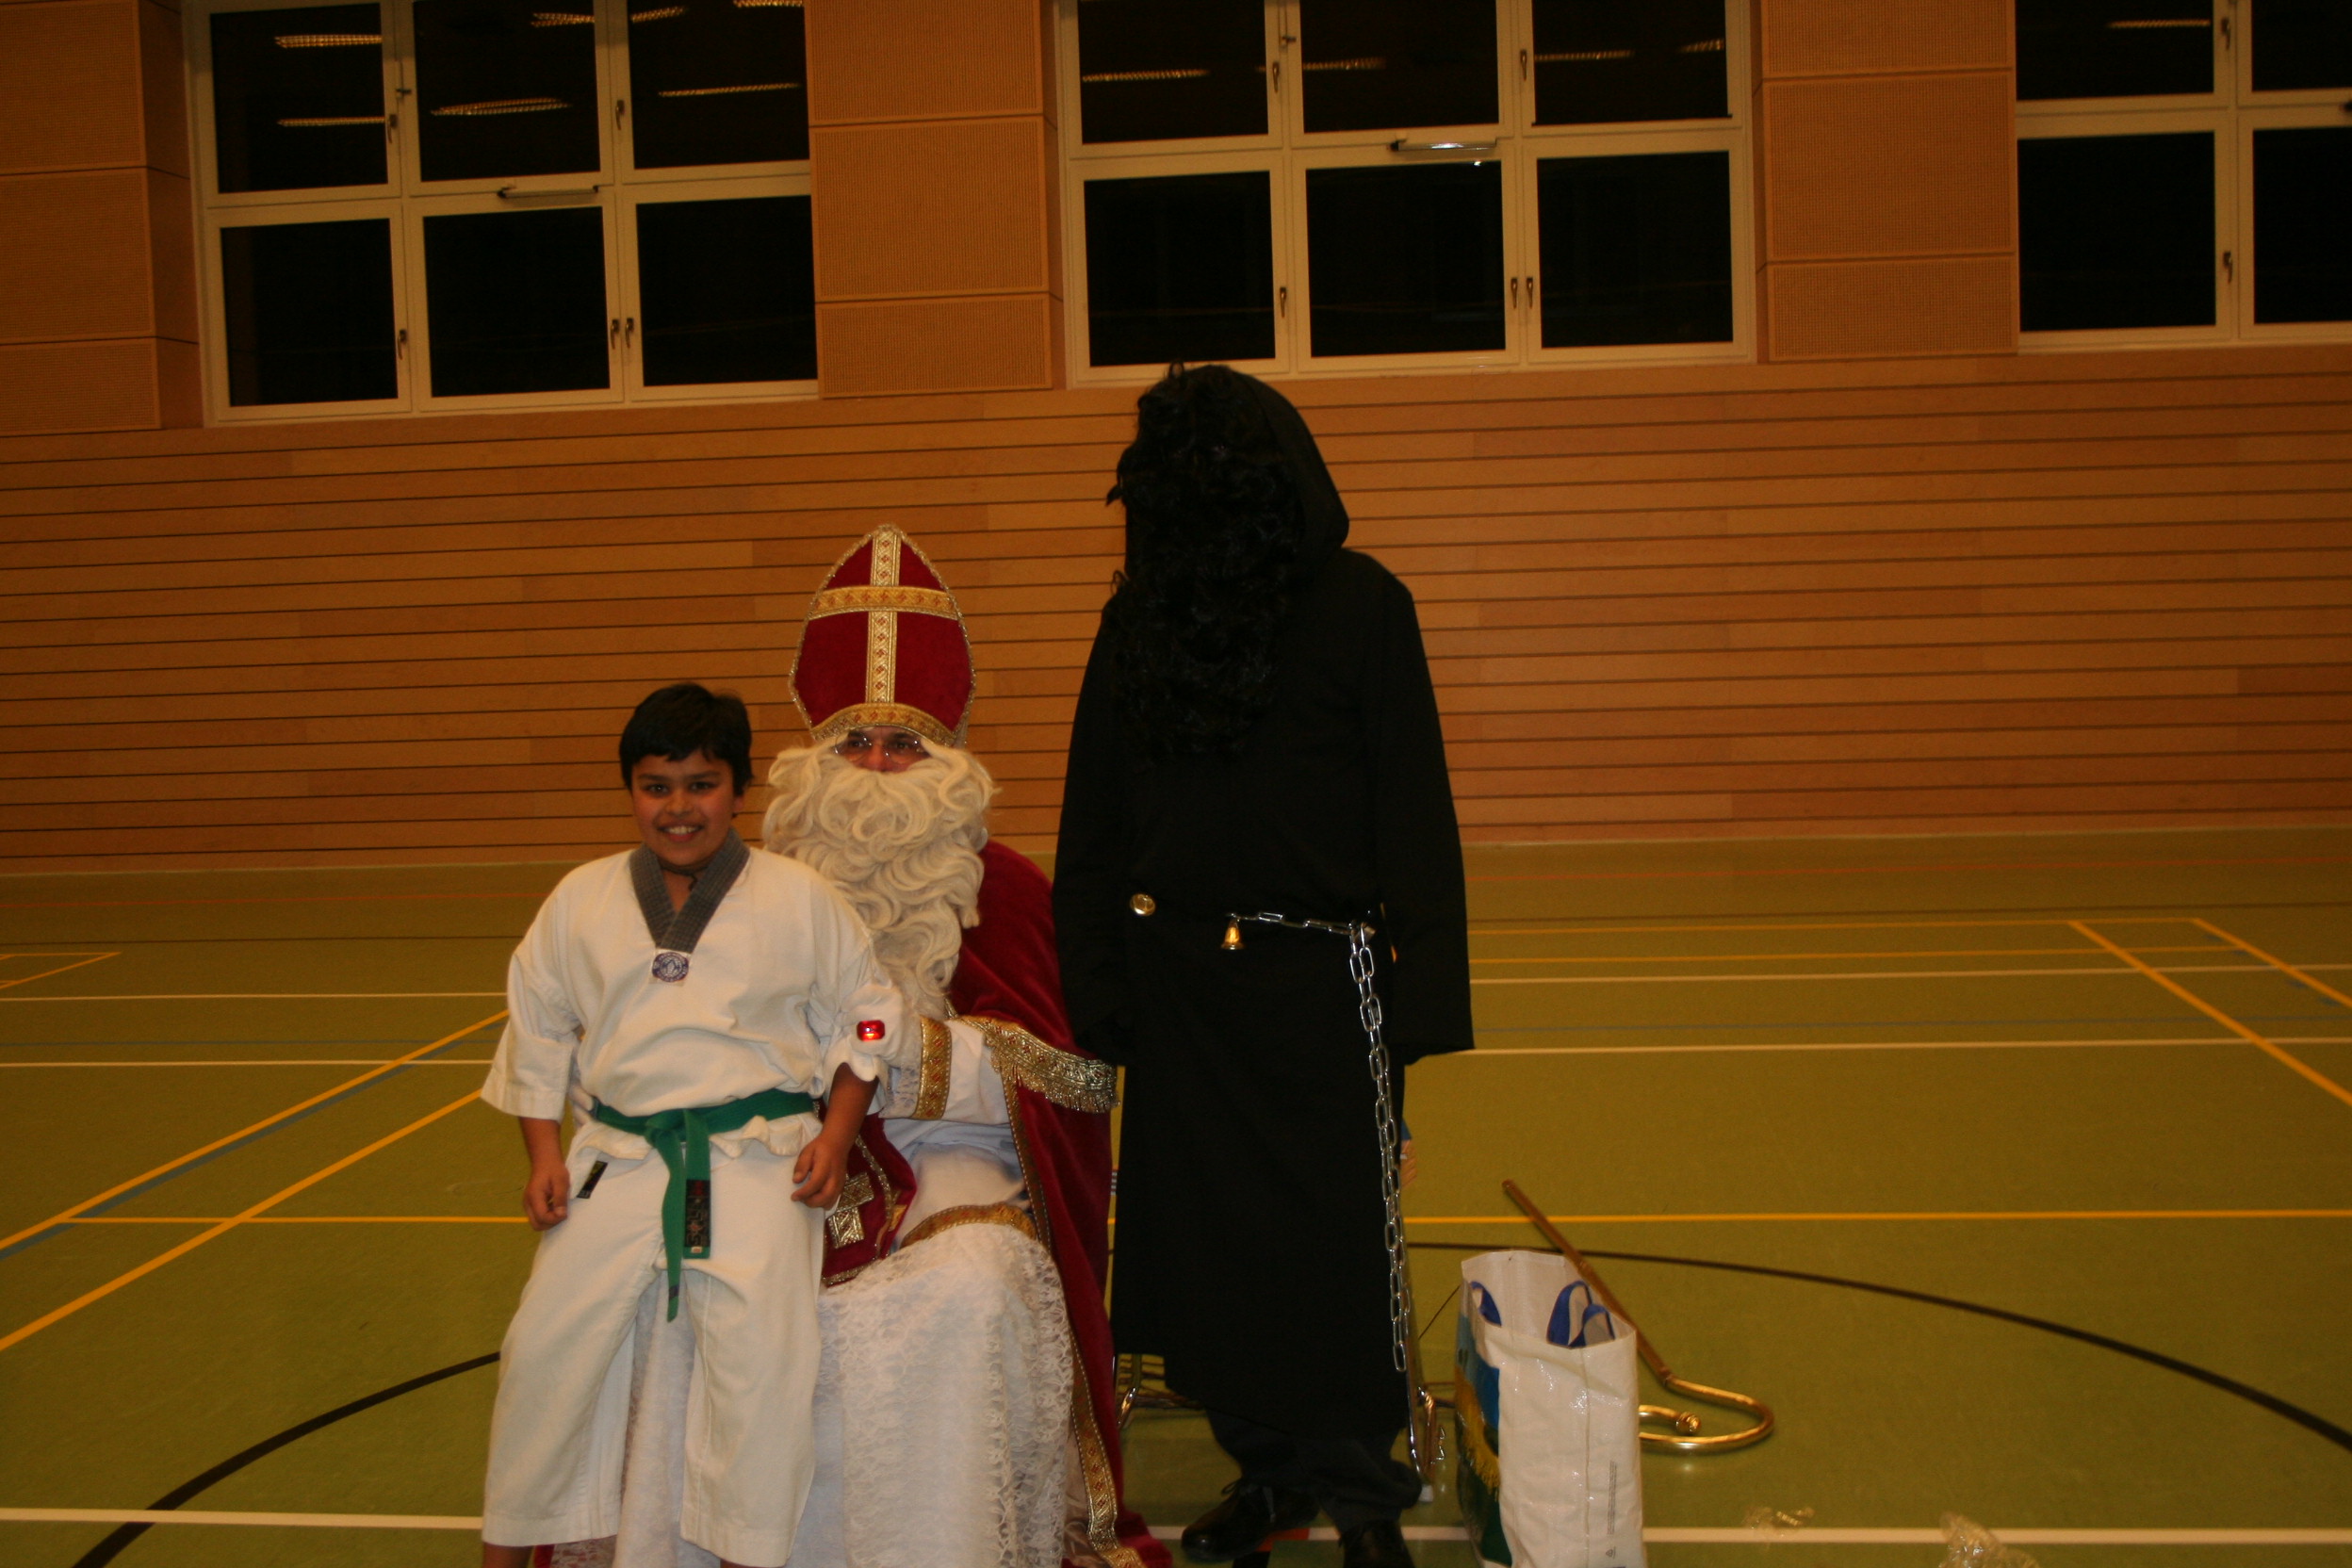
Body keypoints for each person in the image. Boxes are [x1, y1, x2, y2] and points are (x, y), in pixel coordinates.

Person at [543, 527, 1164, 1568]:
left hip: (946, 1153)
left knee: (968, 1289)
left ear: (948, 757)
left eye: (903, 745)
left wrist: (913, 1056)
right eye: (855, 743)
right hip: (762, 1148)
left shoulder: (1008, 890)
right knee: (675, 1276)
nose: (876, 766)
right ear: (813, 758)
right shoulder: (748, 881)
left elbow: (1074, 1079)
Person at [1053, 367, 1475, 1568]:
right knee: (1211, 1251)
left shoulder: (1363, 605)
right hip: (1178, 984)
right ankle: (1268, 1469)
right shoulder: (1138, 621)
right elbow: (1096, 818)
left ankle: (1362, 1487)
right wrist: (1100, 984)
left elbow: (1413, 808)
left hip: (1326, 986)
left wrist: (1419, 998)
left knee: (1336, 1246)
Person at [477, 683, 910, 1568]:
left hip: (755, 1157)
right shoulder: (581, 898)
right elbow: (538, 1025)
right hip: (619, 1155)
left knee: (761, 1362)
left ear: (738, 789)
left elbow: (869, 1016)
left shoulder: (799, 897)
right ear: (631, 792)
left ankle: (748, 1553)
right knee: (541, 1349)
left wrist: (836, 1134)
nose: (679, 808)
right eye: (656, 787)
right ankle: (506, 1550)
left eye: (702, 784)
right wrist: (544, 1154)